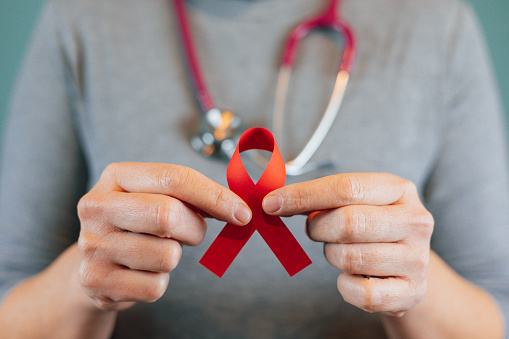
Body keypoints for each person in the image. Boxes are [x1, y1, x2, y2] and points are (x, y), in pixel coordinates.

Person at [0, 0, 508, 337]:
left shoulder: (437, 23)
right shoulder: (81, 18)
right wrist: (84, 282)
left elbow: (498, 309)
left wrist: (416, 289)